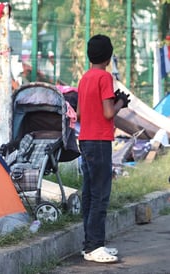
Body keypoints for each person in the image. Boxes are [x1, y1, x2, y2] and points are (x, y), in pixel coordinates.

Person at [77, 34, 130, 263]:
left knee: (89, 193)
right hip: (99, 142)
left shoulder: (85, 78)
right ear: (108, 57)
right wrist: (121, 103)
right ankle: (95, 246)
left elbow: (79, 113)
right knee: (101, 195)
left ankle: (89, 245)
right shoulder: (104, 77)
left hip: (85, 140)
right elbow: (109, 112)